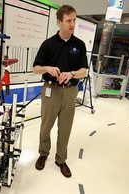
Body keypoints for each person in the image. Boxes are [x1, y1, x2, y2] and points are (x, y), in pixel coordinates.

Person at [33, 5, 88, 178]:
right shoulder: (48, 44)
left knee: (65, 128)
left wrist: (71, 73)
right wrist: (47, 68)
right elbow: (36, 69)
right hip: (51, 90)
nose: (72, 24)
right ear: (59, 22)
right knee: (45, 126)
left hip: (71, 91)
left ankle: (61, 159)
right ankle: (43, 153)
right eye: (68, 20)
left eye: (74, 20)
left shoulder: (79, 45)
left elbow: (84, 71)